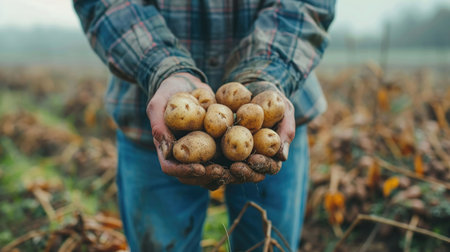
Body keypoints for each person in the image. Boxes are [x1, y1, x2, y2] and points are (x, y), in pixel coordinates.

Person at [74, 0, 335, 251]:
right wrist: (163, 67)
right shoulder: (186, 113)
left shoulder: (258, 124)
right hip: (152, 120)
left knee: (268, 246)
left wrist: (266, 72)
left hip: (277, 113)